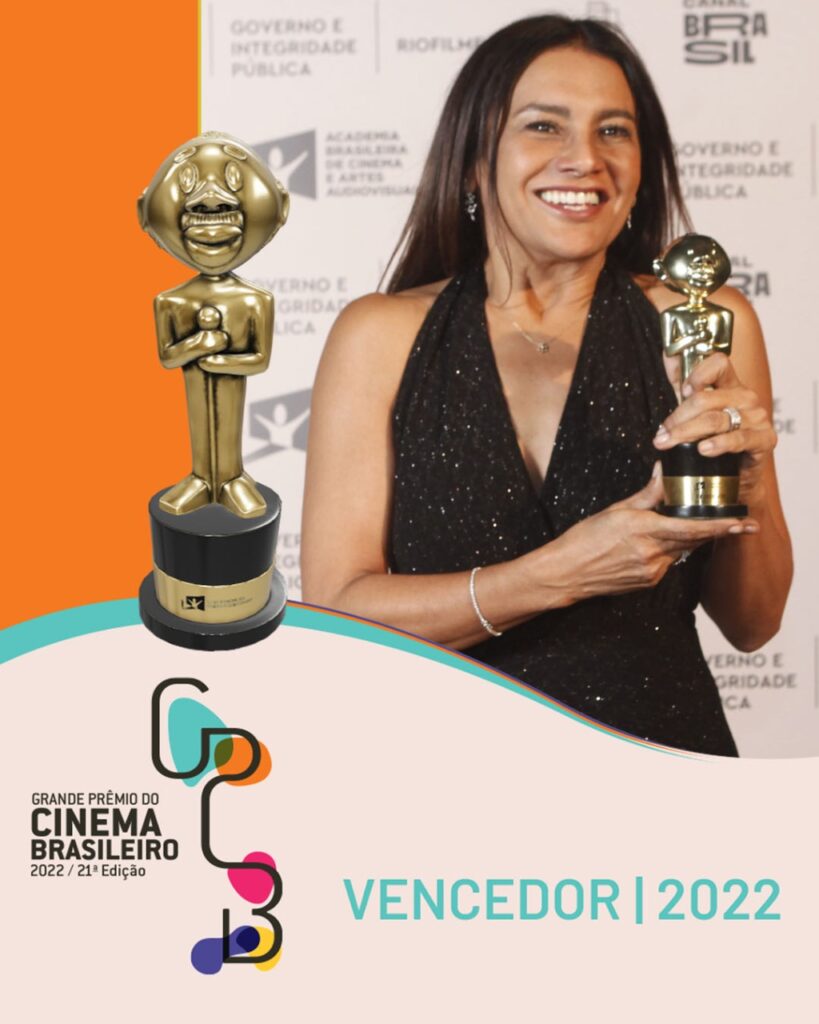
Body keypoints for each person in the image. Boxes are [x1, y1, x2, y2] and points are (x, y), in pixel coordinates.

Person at [301, 16, 792, 755]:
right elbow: (338, 613)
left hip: (665, 773)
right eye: (543, 126)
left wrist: (748, 478)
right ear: (475, 159)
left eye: (613, 131)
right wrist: (557, 574)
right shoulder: (380, 335)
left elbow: (754, 624)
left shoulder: (706, 321)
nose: (585, 159)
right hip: (442, 776)